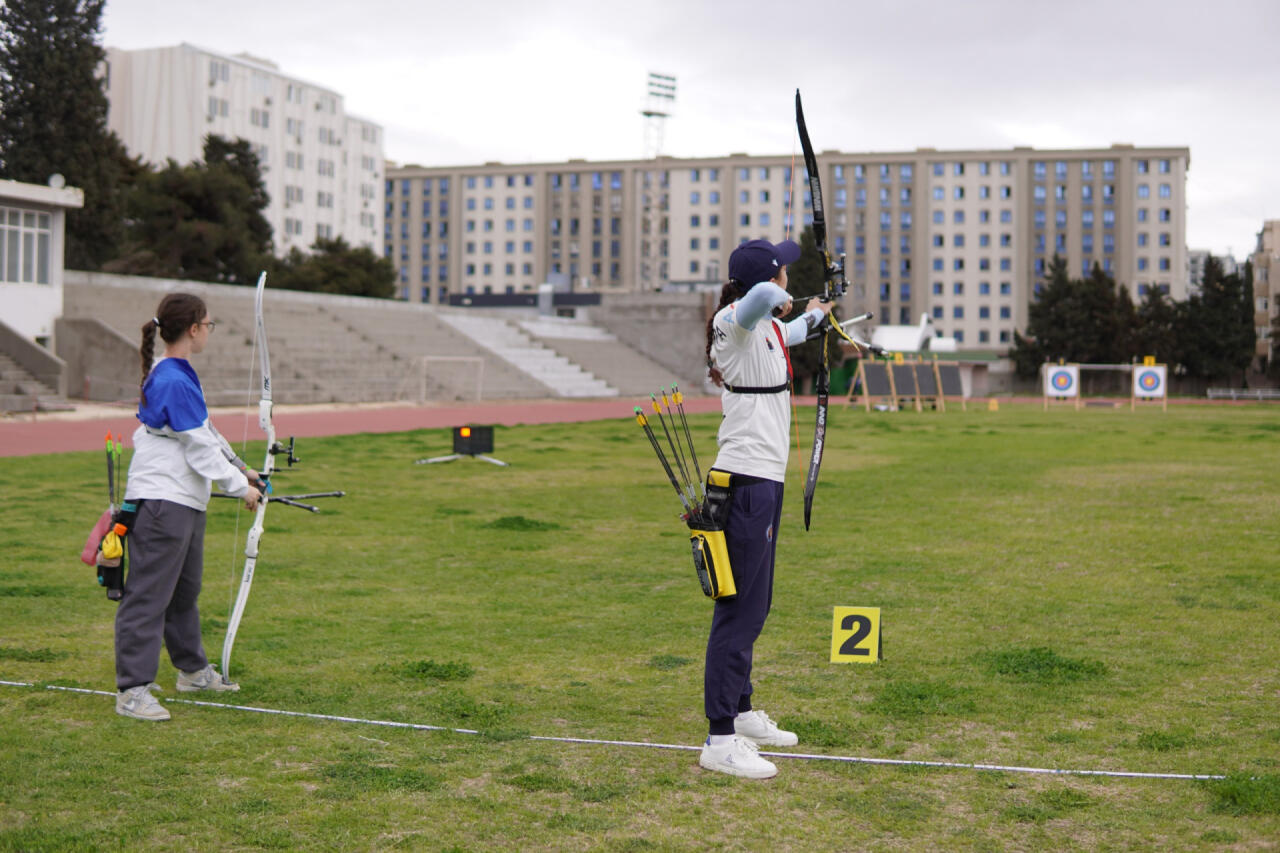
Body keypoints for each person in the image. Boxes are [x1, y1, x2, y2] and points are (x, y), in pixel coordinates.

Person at [697, 238, 834, 778]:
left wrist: (816, 314)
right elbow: (757, 299)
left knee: (758, 604)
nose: (785, 275)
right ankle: (719, 739)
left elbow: (794, 330)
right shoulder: (733, 321)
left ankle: (743, 711)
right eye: (782, 269)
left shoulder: (769, 327)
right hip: (744, 482)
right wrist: (784, 296)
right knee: (738, 611)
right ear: (770, 278)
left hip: (763, 482)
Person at [114, 293, 262, 721]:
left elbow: (206, 431)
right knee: (148, 596)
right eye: (208, 324)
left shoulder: (179, 373)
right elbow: (198, 447)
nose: (208, 331)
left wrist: (241, 467)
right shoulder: (174, 379)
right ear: (193, 329)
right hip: (164, 501)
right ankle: (132, 690)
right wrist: (240, 488)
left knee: (183, 593)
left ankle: (192, 670)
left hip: (182, 500)